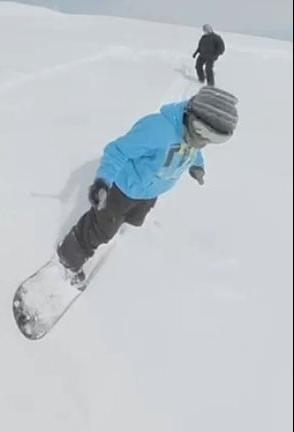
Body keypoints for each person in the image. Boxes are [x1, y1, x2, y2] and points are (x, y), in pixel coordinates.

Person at [57, 87, 239, 286]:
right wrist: (103, 180)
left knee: (133, 219)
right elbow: (117, 151)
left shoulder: (194, 137)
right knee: (101, 229)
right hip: (123, 189)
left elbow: (193, 151)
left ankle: (117, 224)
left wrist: (197, 166)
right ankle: (69, 257)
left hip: (150, 192)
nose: (205, 142)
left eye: (213, 140)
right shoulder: (156, 130)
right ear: (193, 115)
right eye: (204, 134)